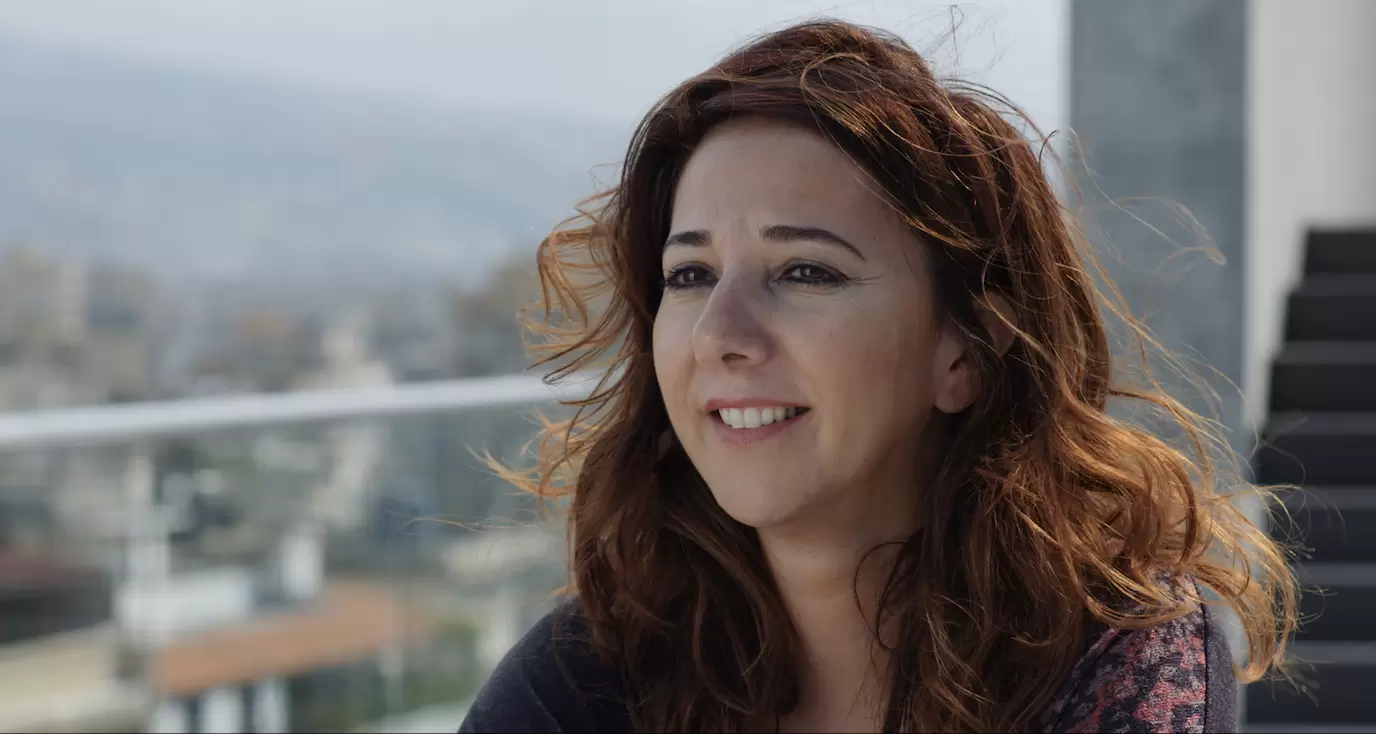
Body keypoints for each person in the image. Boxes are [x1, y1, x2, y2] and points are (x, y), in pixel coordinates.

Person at [458, 18, 1296, 733]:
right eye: (690, 275)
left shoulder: (1117, 656)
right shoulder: (585, 682)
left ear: (965, 353)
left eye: (805, 272)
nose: (718, 335)